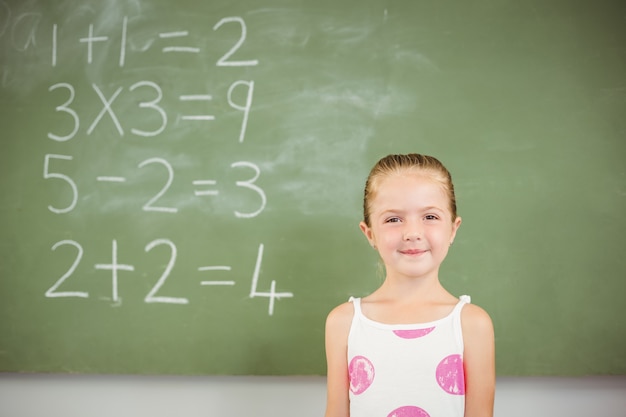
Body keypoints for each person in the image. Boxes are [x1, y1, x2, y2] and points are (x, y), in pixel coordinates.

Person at [324, 154, 495, 417]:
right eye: (393, 219)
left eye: (429, 216)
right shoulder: (344, 323)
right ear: (369, 233)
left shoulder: (472, 324)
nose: (412, 232)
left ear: (453, 228)